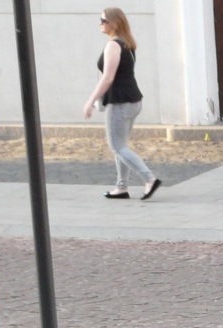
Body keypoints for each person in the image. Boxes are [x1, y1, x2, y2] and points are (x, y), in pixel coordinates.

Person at [82, 7, 160, 200]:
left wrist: (90, 101)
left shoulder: (114, 45)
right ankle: (121, 187)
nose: (100, 24)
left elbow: (108, 78)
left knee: (117, 146)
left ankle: (149, 179)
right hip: (133, 100)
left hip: (121, 103)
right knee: (121, 146)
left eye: (103, 20)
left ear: (113, 23)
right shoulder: (127, 44)